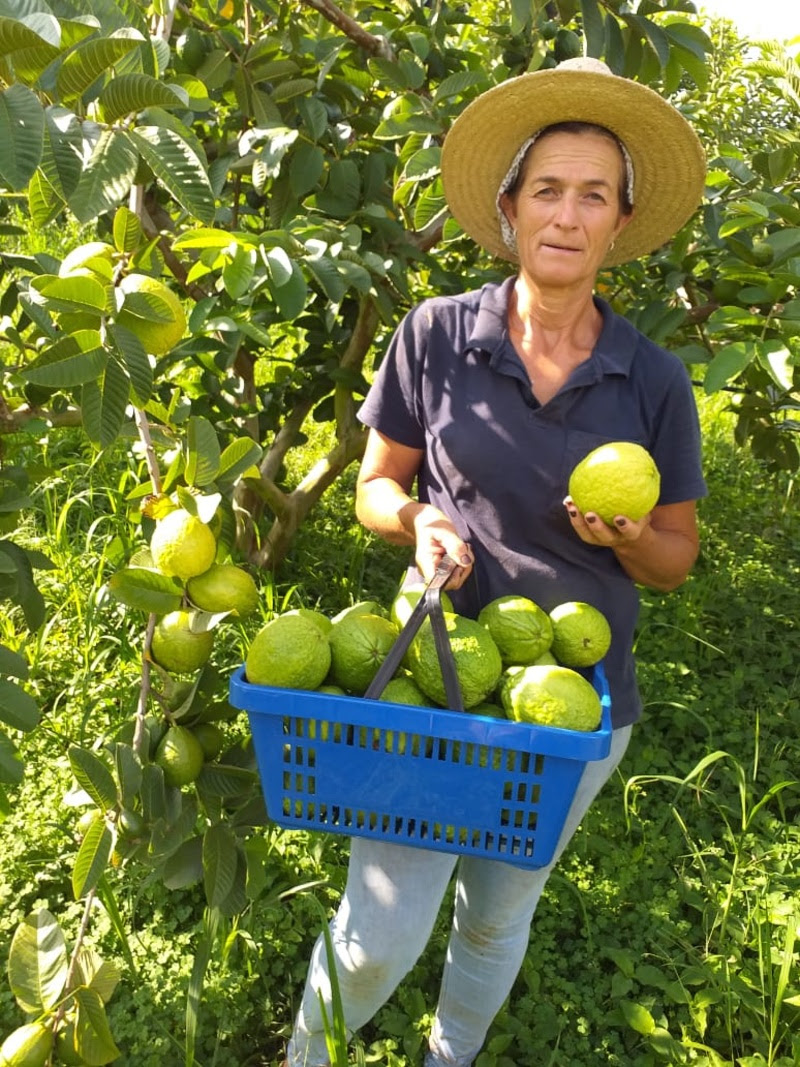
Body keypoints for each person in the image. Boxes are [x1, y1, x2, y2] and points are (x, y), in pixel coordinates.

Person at [285, 56, 708, 1067]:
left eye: (592, 195)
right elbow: (370, 485)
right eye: (546, 190)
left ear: (618, 222)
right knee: (380, 926)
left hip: (574, 700)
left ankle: (450, 1054)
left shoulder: (651, 380)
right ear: (510, 207)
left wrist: (627, 537)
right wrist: (413, 518)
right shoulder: (434, 334)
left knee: (493, 912)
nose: (566, 215)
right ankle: (306, 1055)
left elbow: (674, 558)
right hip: (437, 681)